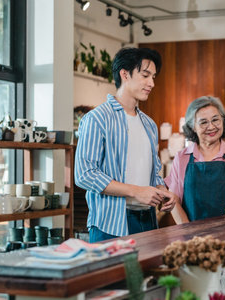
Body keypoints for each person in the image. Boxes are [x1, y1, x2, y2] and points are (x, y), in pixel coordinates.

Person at [75, 47, 177, 243]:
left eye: (154, 77)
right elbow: (84, 174)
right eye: (145, 75)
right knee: (115, 275)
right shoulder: (97, 119)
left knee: (147, 275)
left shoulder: (149, 124)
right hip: (110, 223)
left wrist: (162, 191)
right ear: (125, 74)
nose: (152, 83)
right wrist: (136, 191)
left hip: (147, 220)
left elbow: (154, 172)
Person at [165, 96, 225, 223]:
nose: (211, 127)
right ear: (192, 126)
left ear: (223, 121)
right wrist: (187, 233)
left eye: (215, 120)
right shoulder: (181, 158)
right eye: (203, 122)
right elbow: (174, 202)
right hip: (192, 238)